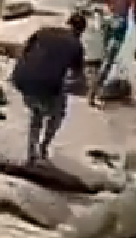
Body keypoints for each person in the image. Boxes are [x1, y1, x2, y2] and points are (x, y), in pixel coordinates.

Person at [11, 12, 87, 162]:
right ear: (80, 31)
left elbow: (23, 51)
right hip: (47, 85)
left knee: (37, 112)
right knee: (58, 114)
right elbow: (79, 78)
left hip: (21, 80)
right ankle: (44, 146)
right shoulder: (76, 44)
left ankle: (31, 151)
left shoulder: (44, 31)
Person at [84, 0, 136, 105]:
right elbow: (135, 7)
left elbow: (88, 0)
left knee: (103, 56)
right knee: (108, 60)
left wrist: (89, 9)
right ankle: (94, 94)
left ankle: (95, 90)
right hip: (120, 22)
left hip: (107, 20)